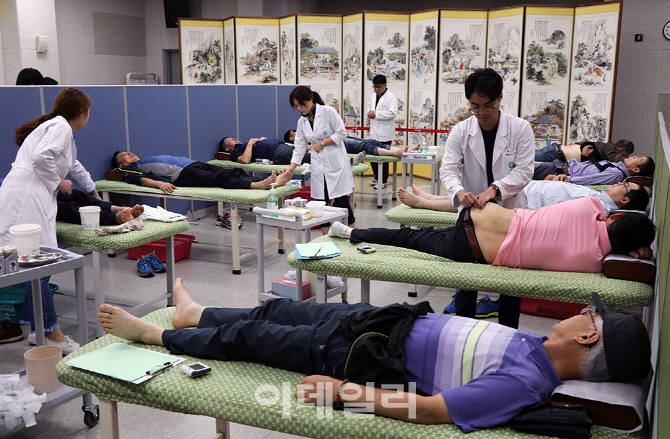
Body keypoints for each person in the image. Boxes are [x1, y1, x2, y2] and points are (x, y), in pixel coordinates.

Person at [97, 279, 651, 432]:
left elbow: (433, 410)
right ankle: (194, 313)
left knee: (253, 340)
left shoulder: (524, 385)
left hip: (354, 356)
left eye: (590, 317)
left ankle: (153, 336)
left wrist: (345, 396)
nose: (580, 311)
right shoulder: (535, 342)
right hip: (374, 323)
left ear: (586, 339)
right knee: (276, 310)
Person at [328, 196, 655, 274]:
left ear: (618, 216)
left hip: (484, 213)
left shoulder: (589, 206)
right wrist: (635, 250)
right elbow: (618, 260)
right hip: (477, 249)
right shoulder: (594, 262)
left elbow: (601, 212)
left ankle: (350, 230)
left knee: (422, 233)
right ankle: (349, 233)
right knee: (412, 239)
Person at [0, 88, 96, 352]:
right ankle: (52, 331)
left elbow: (73, 165)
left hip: (29, 195)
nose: (89, 117)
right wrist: (59, 182)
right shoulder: (60, 127)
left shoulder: (60, 129)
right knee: (39, 265)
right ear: (81, 113)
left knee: (37, 268)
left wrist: (92, 190)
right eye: (88, 112)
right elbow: (41, 157)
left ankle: (37, 328)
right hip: (26, 198)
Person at [439, 67, 535, 329]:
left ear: (500, 98)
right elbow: (448, 168)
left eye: (487, 105)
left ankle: (507, 335)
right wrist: (459, 191)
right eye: (474, 106)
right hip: (473, 215)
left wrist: (495, 188)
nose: (481, 112)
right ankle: (464, 334)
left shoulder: (520, 128)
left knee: (510, 284)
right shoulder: (461, 131)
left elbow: (526, 170)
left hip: (510, 212)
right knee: (466, 280)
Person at [284, 86, 355, 233]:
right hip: (318, 166)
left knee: (341, 202)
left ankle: (352, 235)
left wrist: (322, 142)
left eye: (301, 104)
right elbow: (299, 148)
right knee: (320, 205)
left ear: (310, 100)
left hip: (335, 163)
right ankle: (325, 238)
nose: (299, 109)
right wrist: (291, 168)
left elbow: (342, 133)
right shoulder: (301, 122)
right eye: (296, 106)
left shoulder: (327, 111)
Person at [398, 179, 650, 216]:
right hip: (530, 193)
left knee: (476, 203)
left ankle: (423, 203)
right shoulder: (599, 198)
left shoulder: (599, 208)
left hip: (529, 205)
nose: (619, 183)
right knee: (476, 195)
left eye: (624, 186)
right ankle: (430, 197)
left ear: (625, 200)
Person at [111, 152, 293, 193]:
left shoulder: (142, 160)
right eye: (124, 155)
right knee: (221, 178)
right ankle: (258, 185)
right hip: (182, 176)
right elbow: (141, 180)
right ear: (120, 164)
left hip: (192, 165)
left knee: (232, 170)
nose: (129, 153)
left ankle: (270, 182)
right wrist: (160, 184)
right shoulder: (127, 169)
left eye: (128, 151)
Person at [285, 129, 416, 159]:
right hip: (333, 145)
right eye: (294, 132)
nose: (297, 132)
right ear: (291, 138)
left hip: (334, 140)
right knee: (364, 147)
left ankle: (404, 149)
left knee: (371, 142)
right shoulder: (299, 144)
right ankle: (395, 152)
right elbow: (313, 147)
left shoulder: (307, 135)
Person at [533, 155, 655, 185]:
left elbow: (589, 180)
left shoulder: (615, 173)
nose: (634, 156)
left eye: (638, 158)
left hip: (558, 172)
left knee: (517, 170)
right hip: (560, 165)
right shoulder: (615, 166)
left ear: (636, 169)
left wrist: (563, 179)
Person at [367, 75, 398, 189]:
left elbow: (392, 113)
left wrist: (377, 114)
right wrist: (369, 113)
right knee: (372, 155)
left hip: (385, 134)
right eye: (374, 87)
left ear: (385, 85)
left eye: (379, 87)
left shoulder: (391, 98)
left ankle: (383, 180)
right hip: (374, 132)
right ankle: (377, 177)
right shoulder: (373, 96)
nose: (376, 89)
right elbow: (368, 108)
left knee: (384, 158)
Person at [57, 190, 144, 226]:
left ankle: (116, 209)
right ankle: (115, 218)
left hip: (51, 192)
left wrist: (98, 198)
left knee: (76, 194)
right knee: (68, 208)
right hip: (44, 202)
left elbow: (77, 170)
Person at [219, 135, 311, 165]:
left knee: (308, 151)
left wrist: (260, 142)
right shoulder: (235, 152)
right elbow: (245, 160)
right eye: (232, 140)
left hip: (280, 146)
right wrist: (251, 143)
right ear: (227, 148)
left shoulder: (245, 145)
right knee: (307, 156)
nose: (235, 139)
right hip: (276, 153)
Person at [535, 139, 635, 164]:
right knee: (522, 157)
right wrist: (635, 161)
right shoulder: (611, 150)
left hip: (556, 152)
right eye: (625, 155)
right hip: (555, 153)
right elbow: (618, 159)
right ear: (621, 150)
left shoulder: (602, 146)